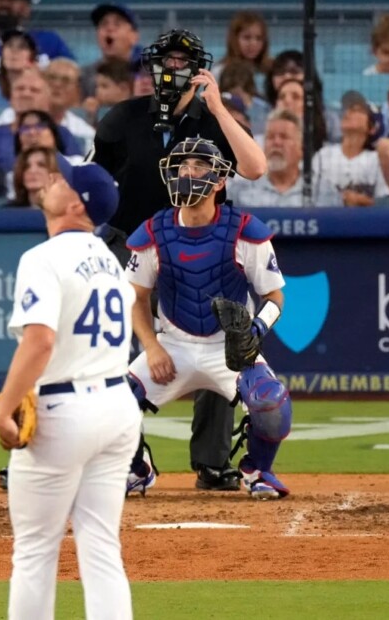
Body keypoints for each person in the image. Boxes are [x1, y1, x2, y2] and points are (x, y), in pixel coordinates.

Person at [90, 28, 267, 494]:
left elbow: (254, 167)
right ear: (151, 66)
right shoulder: (122, 118)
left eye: (182, 61)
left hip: (202, 241)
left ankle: (213, 464)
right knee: (115, 352)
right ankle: (130, 459)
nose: (173, 69)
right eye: (165, 61)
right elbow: (92, 182)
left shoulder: (215, 119)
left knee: (217, 340)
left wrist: (219, 108)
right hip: (128, 242)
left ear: (199, 68)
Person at [0, 157, 139, 620]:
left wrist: (5, 408)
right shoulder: (114, 265)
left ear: (76, 203)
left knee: (35, 551)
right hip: (118, 407)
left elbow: (40, 341)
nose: (51, 178)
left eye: (61, 179)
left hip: (65, 411)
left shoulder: (43, 257)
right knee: (101, 547)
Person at [124, 137, 293, 501]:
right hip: (172, 344)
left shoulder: (245, 230)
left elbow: (275, 296)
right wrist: (151, 346)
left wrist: (255, 329)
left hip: (229, 347)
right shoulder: (154, 231)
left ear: (219, 181)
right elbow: (136, 298)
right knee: (113, 400)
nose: (187, 172)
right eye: (182, 165)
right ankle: (135, 469)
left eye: (198, 166)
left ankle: (257, 470)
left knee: (271, 402)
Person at [227, 109, 340, 208]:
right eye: (270, 137)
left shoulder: (323, 193)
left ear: (301, 148)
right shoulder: (239, 193)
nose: (276, 142)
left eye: (284, 137)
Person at [311, 91, 389, 206]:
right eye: (347, 109)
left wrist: (361, 201)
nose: (348, 112)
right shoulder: (323, 155)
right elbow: (311, 198)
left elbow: (386, 203)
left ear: (373, 127)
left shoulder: (377, 160)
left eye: (357, 110)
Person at [80, 3, 141, 99]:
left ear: (134, 37)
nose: (109, 29)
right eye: (104, 24)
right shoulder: (84, 77)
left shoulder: (147, 74)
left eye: (117, 24)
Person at [213, 11, 272, 78]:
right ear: (234, 39)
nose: (253, 43)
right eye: (247, 37)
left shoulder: (272, 71)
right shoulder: (220, 71)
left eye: (259, 38)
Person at [82, 58, 134, 127]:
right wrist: (90, 116)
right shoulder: (99, 111)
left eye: (104, 86)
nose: (98, 91)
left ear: (123, 88)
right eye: (96, 86)